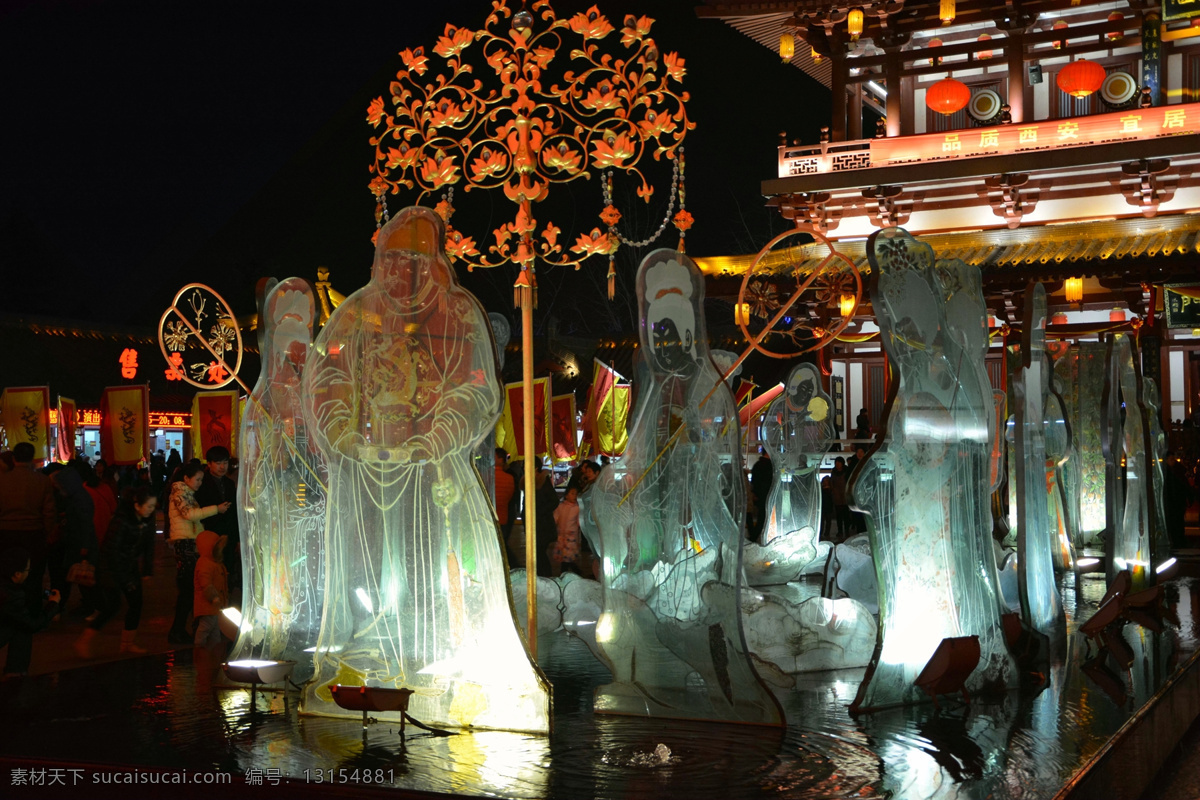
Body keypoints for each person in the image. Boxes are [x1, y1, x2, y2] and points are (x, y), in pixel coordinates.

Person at [301, 205, 548, 731]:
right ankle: (373, 651)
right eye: (390, 260)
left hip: (432, 471)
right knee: (368, 567)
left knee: (435, 563)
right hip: (366, 471)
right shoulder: (355, 314)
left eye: (413, 260)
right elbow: (328, 376)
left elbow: (476, 387)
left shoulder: (456, 314)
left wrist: (437, 435)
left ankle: (439, 656)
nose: (400, 273)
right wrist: (343, 429)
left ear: (431, 262)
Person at [74, 486, 157, 658]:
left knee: (136, 603)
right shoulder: (122, 521)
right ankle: (84, 640)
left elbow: (149, 545)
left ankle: (127, 644)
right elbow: (112, 552)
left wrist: (147, 569)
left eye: (153, 506)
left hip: (130, 565)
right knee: (112, 606)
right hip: (110, 567)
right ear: (136, 505)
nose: (151, 509)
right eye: (148, 506)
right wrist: (126, 580)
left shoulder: (147, 519)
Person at [166, 463, 229, 644]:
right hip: (185, 543)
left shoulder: (186, 493)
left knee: (190, 588)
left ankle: (185, 629)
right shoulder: (180, 493)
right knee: (188, 588)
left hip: (190, 542)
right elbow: (190, 514)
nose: (200, 483)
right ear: (186, 478)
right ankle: (178, 630)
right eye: (198, 479)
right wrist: (216, 509)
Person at [0, 443, 57, 614]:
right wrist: (47, 533)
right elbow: (49, 512)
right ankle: (32, 611)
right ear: (32, 458)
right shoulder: (42, 481)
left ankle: (7, 610)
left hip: (6, 533)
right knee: (33, 575)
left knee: (6, 573)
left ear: (14, 458)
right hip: (34, 533)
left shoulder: (2, 480)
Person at [0, 547, 61, 679]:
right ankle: (15, 674)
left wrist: (46, 594)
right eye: (27, 570)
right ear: (17, 574)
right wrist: (53, 605)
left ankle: (15, 672)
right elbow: (32, 625)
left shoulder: (5, 583)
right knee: (23, 627)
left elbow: (25, 590)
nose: (28, 573)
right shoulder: (10, 596)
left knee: (18, 623)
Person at [193, 446, 240, 597]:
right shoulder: (201, 483)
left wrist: (237, 538)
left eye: (225, 463)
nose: (222, 467)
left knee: (227, 569)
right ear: (209, 464)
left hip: (228, 535)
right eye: (218, 463)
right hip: (209, 533)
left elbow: (234, 512)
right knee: (210, 570)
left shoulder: (229, 483)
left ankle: (225, 597)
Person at [534, 459, 559, 577]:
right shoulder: (529, 481)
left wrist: (540, 511)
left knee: (539, 552)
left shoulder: (543, 482)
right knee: (537, 552)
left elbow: (554, 501)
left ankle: (545, 576)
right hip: (535, 524)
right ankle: (542, 575)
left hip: (543, 525)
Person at [550, 486, 581, 577]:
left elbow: (579, 522)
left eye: (576, 494)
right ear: (566, 495)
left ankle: (564, 572)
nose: (574, 496)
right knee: (565, 556)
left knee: (567, 556)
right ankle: (573, 571)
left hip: (571, 535)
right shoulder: (561, 506)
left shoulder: (577, 508)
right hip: (562, 535)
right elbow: (555, 517)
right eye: (572, 494)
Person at [749, 448, 774, 538]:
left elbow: (754, 482)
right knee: (765, 518)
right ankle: (756, 536)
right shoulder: (770, 466)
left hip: (760, 496)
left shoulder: (757, 465)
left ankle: (755, 535)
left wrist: (755, 493)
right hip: (767, 495)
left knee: (762, 517)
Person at [494, 448, 515, 538]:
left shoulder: (488, 475)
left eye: (493, 456)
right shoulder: (510, 478)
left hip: (490, 517)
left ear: (500, 459)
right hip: (503, 517)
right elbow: (509, 496)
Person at [830, 457, 852, 540]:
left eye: (839, 462)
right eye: (836, 462)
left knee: (846, 515)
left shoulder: (846, 471)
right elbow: (832, 482)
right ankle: (840, 531)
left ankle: (847, 530)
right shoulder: (834, 472)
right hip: (837, 496)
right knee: (838, 516)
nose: (837, 464)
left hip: (845, 496)